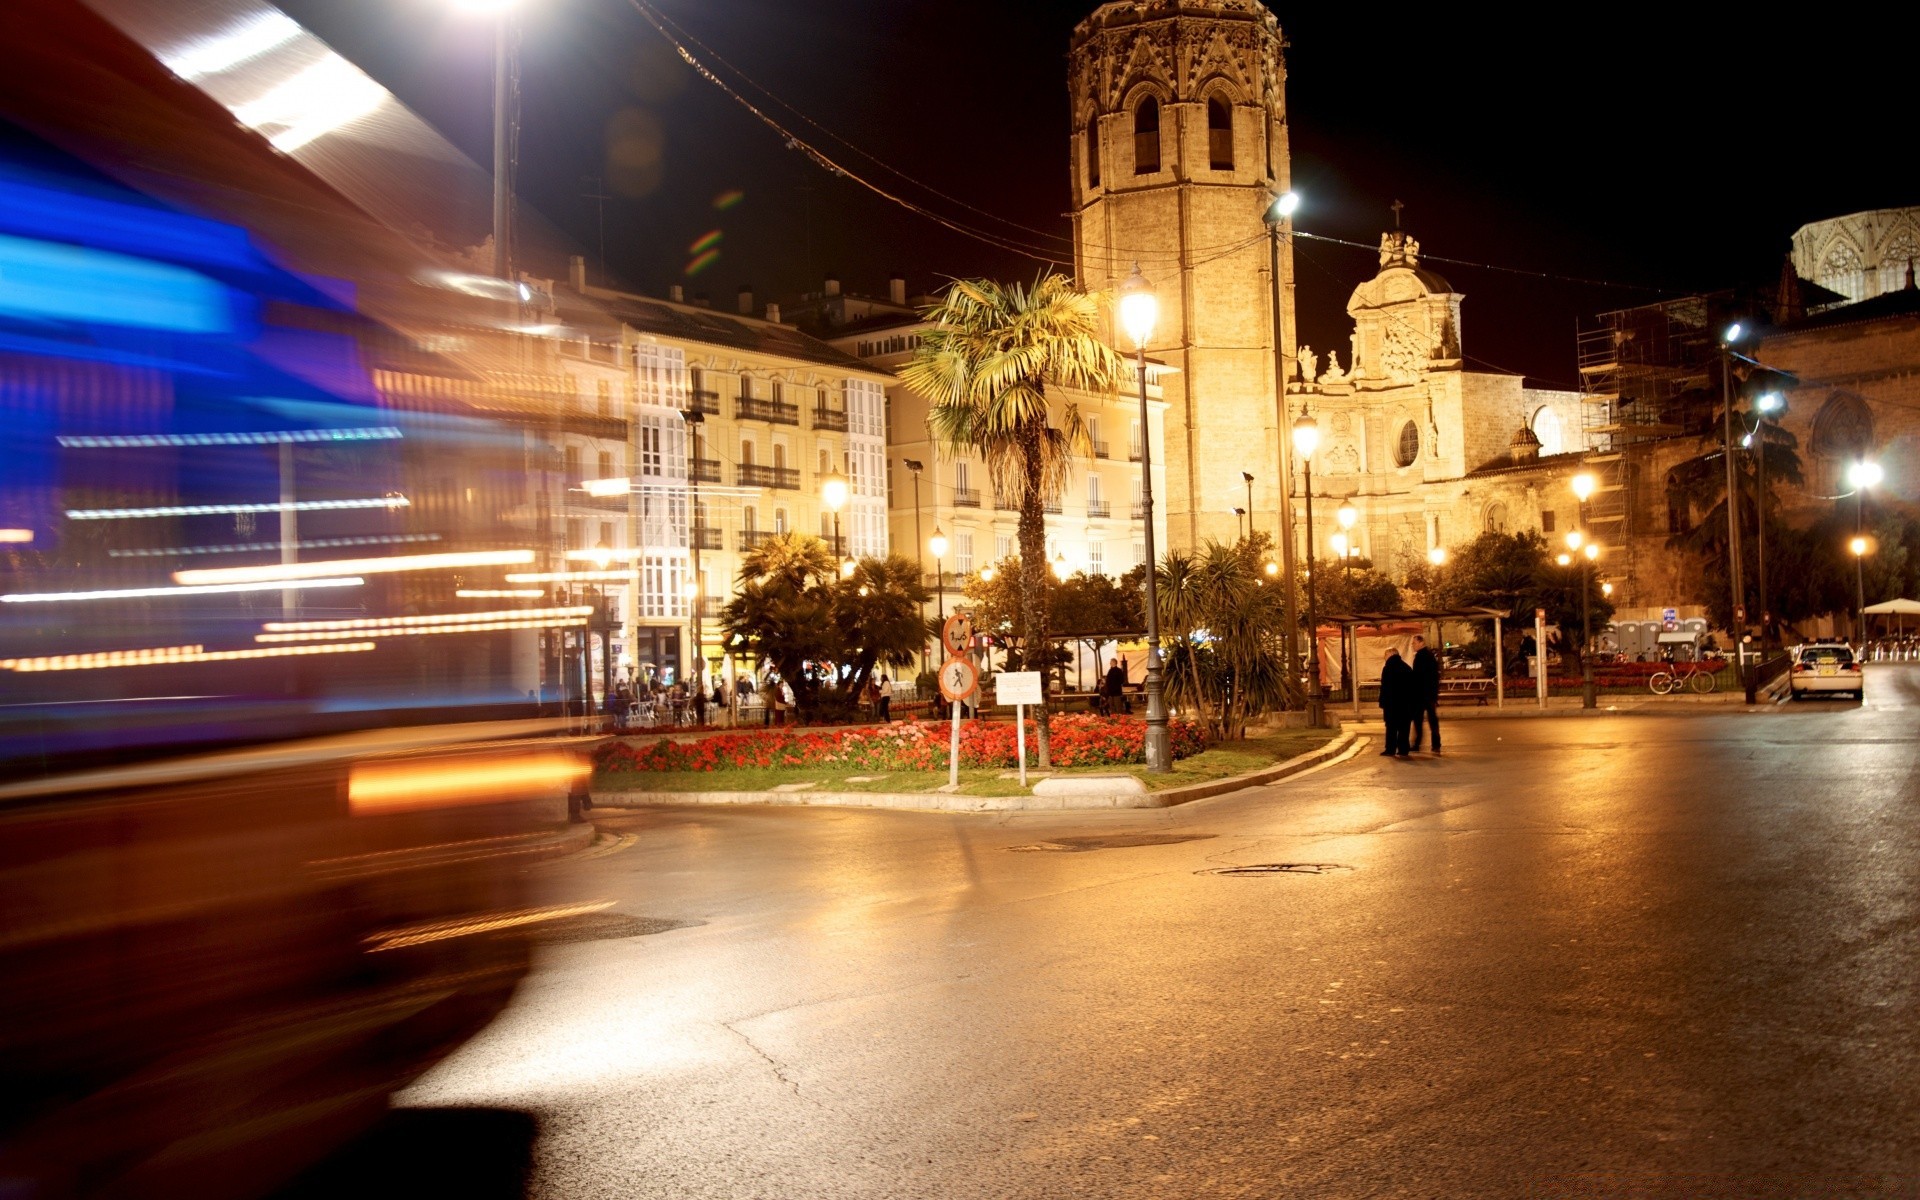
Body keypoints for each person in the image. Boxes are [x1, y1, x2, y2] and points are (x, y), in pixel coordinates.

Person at [1378, 647, 1415, 758]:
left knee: (1391, 727)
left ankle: (1390, 749)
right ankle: (1403, 749)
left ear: (1390, 654)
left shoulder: (1387, 668)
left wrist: (1382, 702)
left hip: (1392, 704)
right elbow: (1413, 688)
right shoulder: (1407, 668)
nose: (1384, 657)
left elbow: (1385, 688)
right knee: (1404, 727)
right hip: (1406, 704)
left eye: (1385, 655)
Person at [1409, 634, 1442, 754]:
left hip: (1421, 694)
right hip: (1430, 694)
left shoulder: (1421, 657)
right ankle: (1436, 744)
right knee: (1432, 719)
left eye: (1414, 643)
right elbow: (1435, 676)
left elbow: (1417, 677)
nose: (1412, 645)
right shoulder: (1430, 656)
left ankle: (1417, 744)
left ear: (1421, 643)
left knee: (1418, 719)